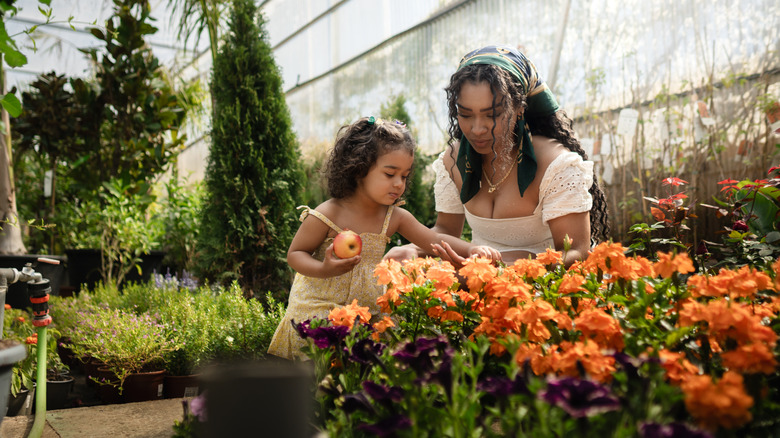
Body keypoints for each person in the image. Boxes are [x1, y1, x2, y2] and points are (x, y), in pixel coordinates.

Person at [267, 116, 501, 360]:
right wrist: (324, 268)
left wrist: (472, 250)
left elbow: (433, 239)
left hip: (366, 307)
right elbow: (295, 255)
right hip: (319, 303)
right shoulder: (329, 213)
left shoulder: (395, 216)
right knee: (329, 348)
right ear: (359, 169)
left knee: (392, 337)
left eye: (404, 175)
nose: (399, 184)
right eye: (390, 174)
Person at [385, 45, 610, 267]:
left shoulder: (556, 164)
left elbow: (576, 253)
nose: (477, 129)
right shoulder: (453, 161)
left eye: (492, 114)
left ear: (519, 108)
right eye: (464, 114)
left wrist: (509, 268)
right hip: (476, 284)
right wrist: (414, 249)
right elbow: (445, 231)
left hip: (544, 292)